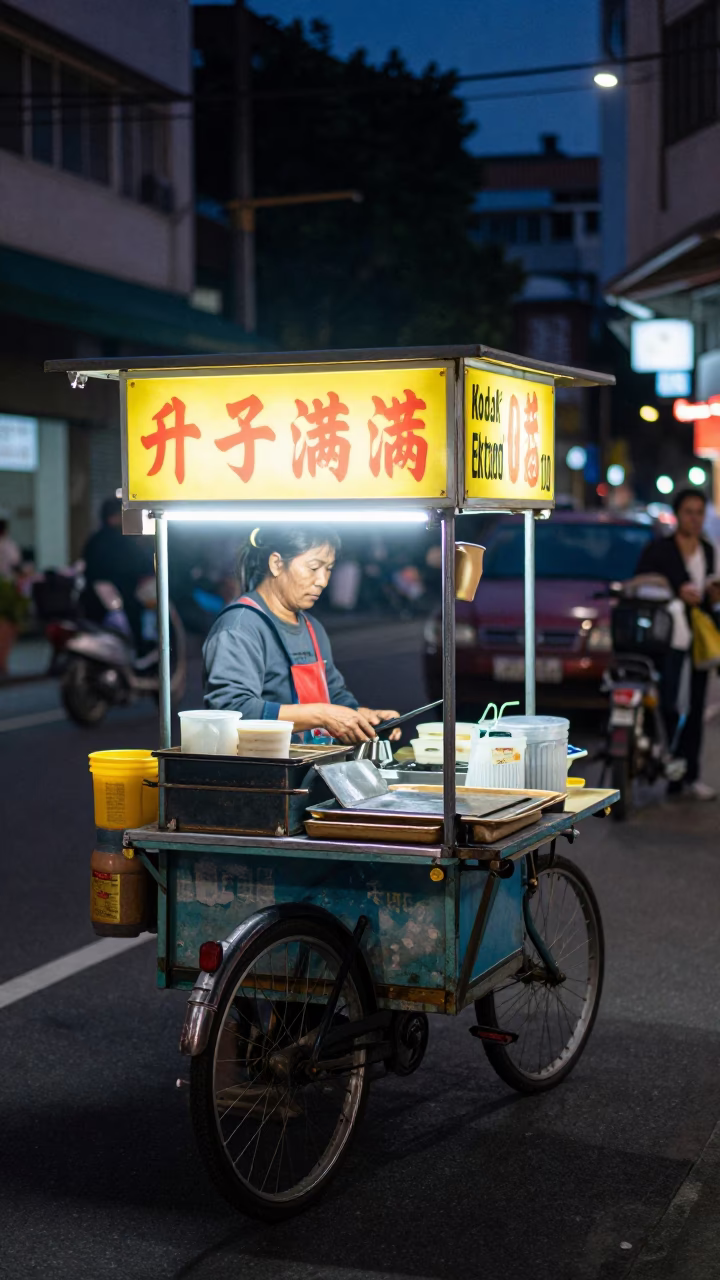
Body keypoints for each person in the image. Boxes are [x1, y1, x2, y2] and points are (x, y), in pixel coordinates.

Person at [203, 525, 401, 744]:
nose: (323, 581)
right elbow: (231, 710)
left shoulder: (312, 627)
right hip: (268, 771)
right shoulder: (240, 627)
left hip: (314, 769)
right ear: (277, 564)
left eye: (329, 569)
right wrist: (321, 715)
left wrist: (362, 716)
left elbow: (333, 694)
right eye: (314, 567)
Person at [637, 488, 720, 799]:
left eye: (700, 512)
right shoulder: (660, 549)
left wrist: (712, 593)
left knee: (696, 707)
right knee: (670, 705)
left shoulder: (708, 550)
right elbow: (640, 584)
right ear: (677, 515)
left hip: (697, 639)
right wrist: (673, 589)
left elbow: (709, 590)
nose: (695, 518)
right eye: (689, 511)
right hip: (667, 639)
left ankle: (689, 775)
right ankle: (665, 766)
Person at [82, 497, 154, 650]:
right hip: (123, 603)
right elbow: (141, 565)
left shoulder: (94, 540)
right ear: (114, 517)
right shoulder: (122, 542)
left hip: (93, 606)